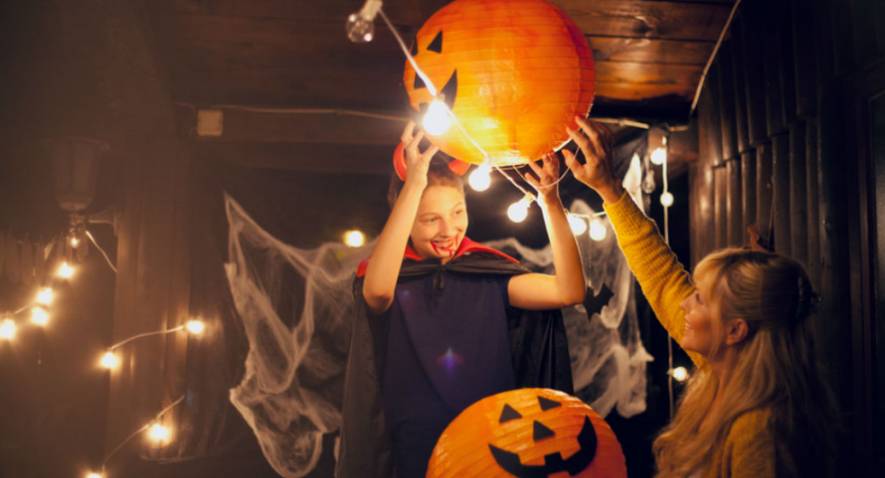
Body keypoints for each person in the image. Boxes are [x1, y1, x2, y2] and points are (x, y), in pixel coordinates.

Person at [563, 117, 837, 477]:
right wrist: (610, 189)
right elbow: (662, 278)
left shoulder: (761, 430)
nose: (686, 302)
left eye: (701, 300)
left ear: (735, 330)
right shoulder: (725, 369)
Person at [336, 122, 586, 478]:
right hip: (414, 456)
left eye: (457, 213)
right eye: (430, 220)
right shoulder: (388, 279)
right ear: (406, 219)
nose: (448, 230)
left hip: (491, 452)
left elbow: (569, 291)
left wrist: (550, 201)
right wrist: (415, 184)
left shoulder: (488, 275)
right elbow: (377, 292)